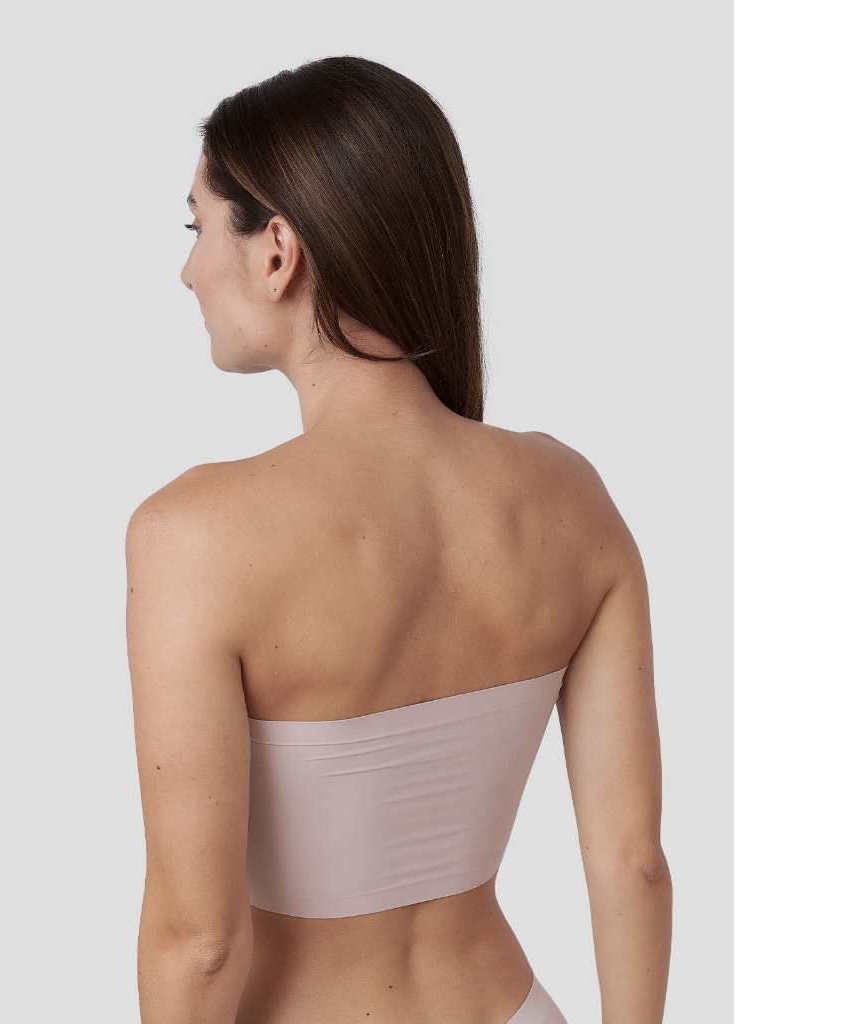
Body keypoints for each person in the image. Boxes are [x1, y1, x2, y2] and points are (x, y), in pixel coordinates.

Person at [125, 55, 672, 1024]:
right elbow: (632, 864)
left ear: (277, 250)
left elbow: (198, 942)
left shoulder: (196, 536)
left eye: (196, 226)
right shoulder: (570, 497)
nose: (187, 270)